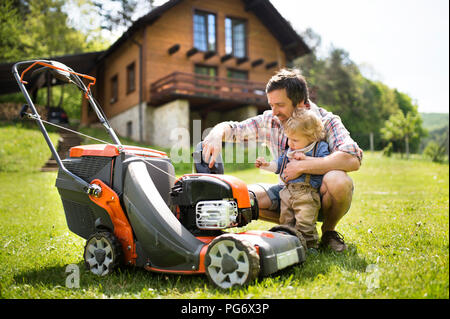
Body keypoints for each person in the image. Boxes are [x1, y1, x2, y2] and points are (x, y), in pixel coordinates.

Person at [202, 68, 363, 252]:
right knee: (243, 198)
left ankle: (328, 232)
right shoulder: (271, 119)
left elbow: (352, 157)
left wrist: (303, 166)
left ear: (301, 103)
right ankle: (288, 231)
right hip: (287, 194)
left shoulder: (327, 121)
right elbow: (235, 128)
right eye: (271, 105)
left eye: (280, 105)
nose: (274, 111)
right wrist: (216, 134)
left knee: (339, 180)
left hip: (319, 194)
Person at [255, 108, 329, 250]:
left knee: (305, 222)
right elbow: (279, 165)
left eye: (295, 140)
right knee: (286, 220)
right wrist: (266, 165)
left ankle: (310, 247)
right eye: (289, 138)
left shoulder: (319, 148)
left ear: (311, 137)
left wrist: (306, 159)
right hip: (287, 193)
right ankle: (288, 245)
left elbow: (324, 164)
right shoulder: (291, 151)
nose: (290, 143)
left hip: (306, 193)